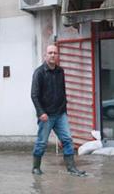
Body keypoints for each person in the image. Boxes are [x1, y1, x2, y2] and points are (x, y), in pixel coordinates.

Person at [30, 44, 86, 176]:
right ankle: (36, 167)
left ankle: (71, 168)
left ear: (58, 56)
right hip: (46, 115)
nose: (53, 55)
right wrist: (41, 112)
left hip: (60, 114)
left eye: (55, 53)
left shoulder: (60, 71)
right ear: (45, 55)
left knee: (67, 140)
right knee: (42, 142)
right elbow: (34, 95)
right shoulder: (39, 73)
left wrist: (64, 109)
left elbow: (62, 92)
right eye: (50, 53)